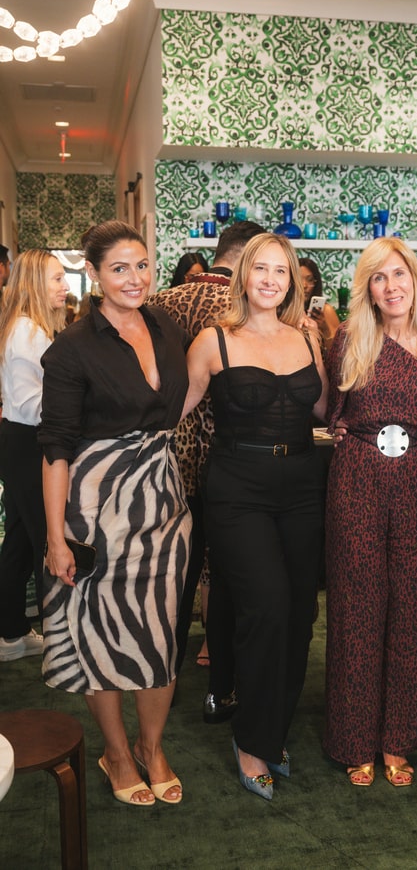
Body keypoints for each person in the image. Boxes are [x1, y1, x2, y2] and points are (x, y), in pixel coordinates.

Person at [39, 220, 192, 807]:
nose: (135, 278)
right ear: (95, 273)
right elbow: (55, 448)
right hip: (95, 510)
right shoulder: (72, 348)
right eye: (120, 268)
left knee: (161, 630)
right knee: (99, 630)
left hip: (163, 503)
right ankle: (118, 753)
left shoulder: (167, 326)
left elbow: (182, 400)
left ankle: (152, 747)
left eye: (142, 265)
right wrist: (56, 538)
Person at [184, 232, 328, 800]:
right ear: (243, 275)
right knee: (265, 605)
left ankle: (273, 730)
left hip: (302, 484)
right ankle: (250, 738)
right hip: (237, 488)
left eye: (281, 271)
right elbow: (172, 412)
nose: (270, 279)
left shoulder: (307, 337)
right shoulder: (213, 340)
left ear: (292, 281)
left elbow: (323, 407)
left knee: (299, 614)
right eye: (260, 268)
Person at [324, 236, 417, 788]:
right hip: (357, 478)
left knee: (415, 605)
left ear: (414, 280)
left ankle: (399, 738)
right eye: (379, 278)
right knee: (356, 603)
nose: (391, 286)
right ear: (368, 290)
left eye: (399, 274)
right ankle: (355, 740)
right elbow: (332, 411)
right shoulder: (350, 339)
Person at [146, 220, 265, 699]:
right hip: (229, 457)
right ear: (247, 256)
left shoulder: (159, 303)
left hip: (169, 455)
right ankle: (222, 676)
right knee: (228, 570)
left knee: (175, 569)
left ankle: (163, 672)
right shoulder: (246, 307)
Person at [0, 249, 69, 662]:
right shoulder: (27, 331)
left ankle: (10, 632)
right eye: (57, 278)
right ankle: (55, 638)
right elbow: (33, 405)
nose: (65, 286)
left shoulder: (28, 327)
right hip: (28, 441)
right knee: (45, 538)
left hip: (20, 439)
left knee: (21, 540)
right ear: (34, 284)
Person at [299, 257, 340, 352]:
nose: (304, 285)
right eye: (299, 279)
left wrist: (324, 329)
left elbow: (338, 352)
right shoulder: (283, 311)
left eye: (310, 280)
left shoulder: (326, 311)